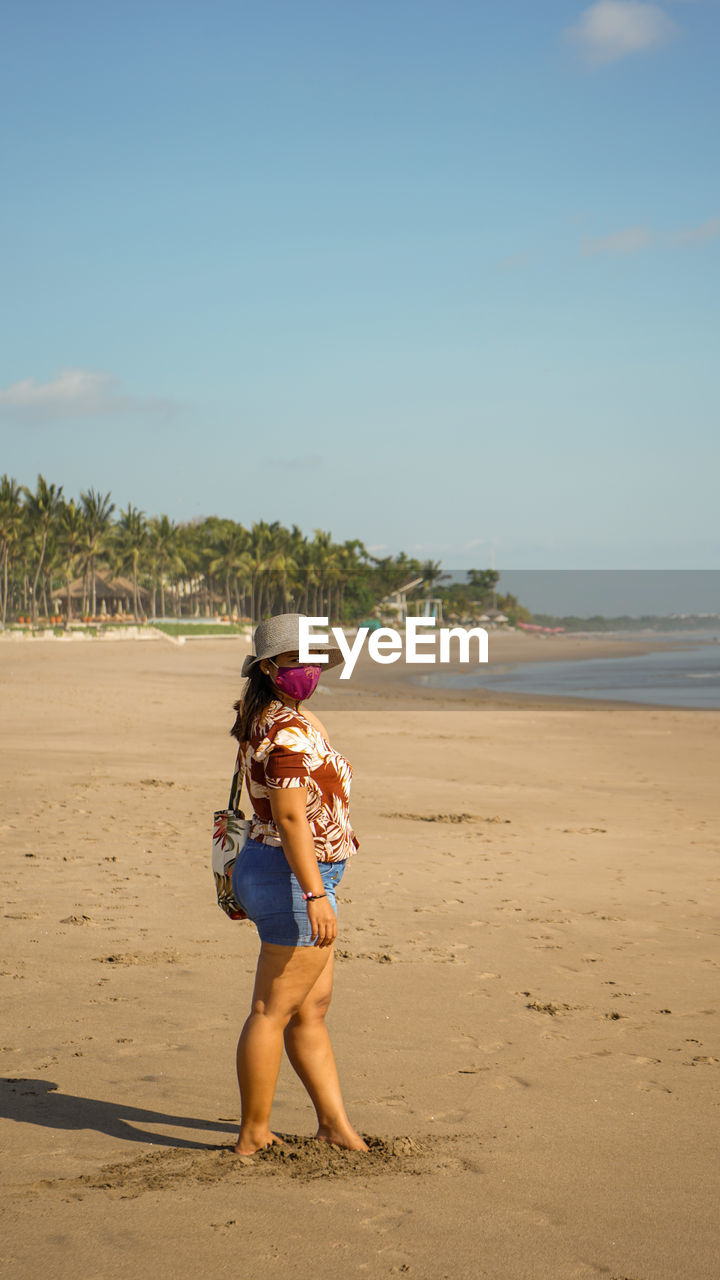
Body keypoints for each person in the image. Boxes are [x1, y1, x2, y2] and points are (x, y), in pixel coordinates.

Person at [228, 613, 367, 1156]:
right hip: (292, 875)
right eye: (294, 661)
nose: (306, 670)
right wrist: (315, 894)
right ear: (268, 667)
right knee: (271, 1010)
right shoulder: (286, 730)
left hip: (279, 867)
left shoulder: (267, 716)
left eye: (312, 660)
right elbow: (290, 819)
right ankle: (253, 1134)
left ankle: (333, 1124)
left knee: (309, 1010)